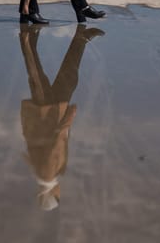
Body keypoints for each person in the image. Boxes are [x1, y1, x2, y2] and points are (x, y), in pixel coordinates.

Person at [19, 24, 104, 210]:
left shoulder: (47, 174)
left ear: (52, 194)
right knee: (69, 76)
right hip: (51, 112)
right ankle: (81, 38)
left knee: (36, 73)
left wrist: (68, 120)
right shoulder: (43, 174)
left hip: (49, 113)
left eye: (58, 195)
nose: (60, 192)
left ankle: (26, 38)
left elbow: (55, 143)